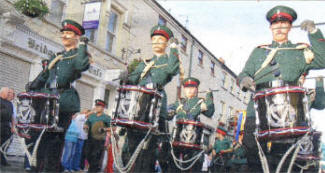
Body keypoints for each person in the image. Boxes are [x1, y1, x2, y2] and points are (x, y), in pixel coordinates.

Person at [237, 5, 325, 172]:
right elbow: (244, 73)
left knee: (283, 158)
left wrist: (314, 32)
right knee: (251, 151)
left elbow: (323, 58)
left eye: (283, 23)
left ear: (290, 27)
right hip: (256, 110)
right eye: (275, 24)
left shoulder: (299, 51)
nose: (279, 27)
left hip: (288, 113)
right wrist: (244, 79)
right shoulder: (259, 52)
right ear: (271, 27)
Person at [27, 19, 90, 172]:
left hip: (64, 101)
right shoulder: (56, 56)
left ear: (77, 36)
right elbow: (45, 74)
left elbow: (82, 66)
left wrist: (82, 45)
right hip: (46, 99)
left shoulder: (78, 55)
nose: (64, 36)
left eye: (69, 33)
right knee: (39, 138)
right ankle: (36, 168)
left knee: (55, 142)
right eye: (63, 33)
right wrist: (32, 86)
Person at [121, 25, 180, 172]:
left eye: (161, 39)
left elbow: (173, 70)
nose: (156, 42)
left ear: (166, 43)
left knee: (148, 153)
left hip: (156, 109)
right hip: (138, 109)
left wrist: (174, 48)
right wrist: (126, 77)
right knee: (131, 150)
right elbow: (133, 79)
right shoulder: (145, 63)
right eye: (154, 39)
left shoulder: (168, 61)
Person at [167, 77, 215, 171]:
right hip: (177, 138)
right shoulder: (179, 102)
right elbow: (168, 114)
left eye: (192, 87)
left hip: (193, 139)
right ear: (184, 89)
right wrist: (170, 111)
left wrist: (209, 95)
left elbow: (210, 112)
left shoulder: (199, 102)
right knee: (172, 165)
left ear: (196, 89)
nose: (189, 90)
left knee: (191, 166)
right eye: (187, 88)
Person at [84, 99, 111, 172]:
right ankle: (92, 169)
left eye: (99, 106)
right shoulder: (92, 116)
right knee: (88, 155)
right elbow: (87, 123)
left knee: (95, 157)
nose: (97, 107)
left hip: (99, 140)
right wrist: (85, 126)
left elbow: (113, 128)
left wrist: (104, 129)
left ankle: (92, 171)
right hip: (90, 138)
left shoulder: (106, 117)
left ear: (103, 108)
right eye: (96, 106)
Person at [0, 87, 14, 166]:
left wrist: (13, 126)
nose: (9, 94)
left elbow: (12, 116)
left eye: (9, 93)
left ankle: (2, 160)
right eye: (8, 93)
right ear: (2, 93)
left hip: (6, 126)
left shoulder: (10, 103)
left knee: (5, 144)